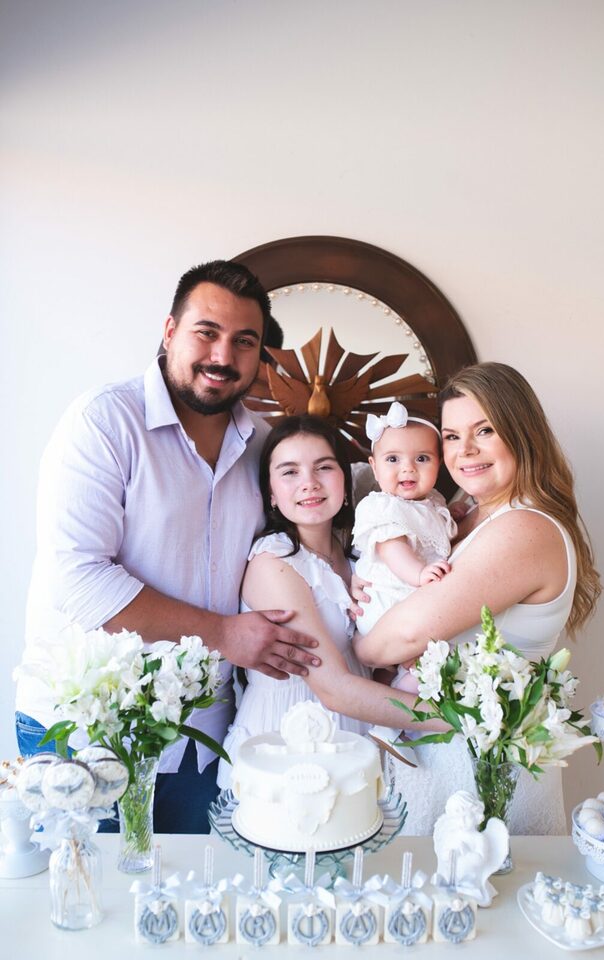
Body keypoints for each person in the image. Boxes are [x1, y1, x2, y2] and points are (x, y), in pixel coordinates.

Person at [14, 259, 322, 833]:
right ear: (170, 331)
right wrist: (225, 634)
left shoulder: (263, 445)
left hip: (204, 736)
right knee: (87, 885)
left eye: (244, 341)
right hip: (86, 730)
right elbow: (80, 581)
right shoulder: (104, 422)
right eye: (207, 332)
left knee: (196, 887)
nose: (223, 356)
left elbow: (314, 517)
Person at [354, 362, 601, 835]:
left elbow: (403, 636)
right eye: (451, 436)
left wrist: (360, 646)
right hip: (438, 761)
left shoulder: (525, 527)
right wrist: (366, 581)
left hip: (481, 777)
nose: (464, 450)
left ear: (521, 434)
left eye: (484, 430)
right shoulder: (463, 516)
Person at [217, 414, 441, 789]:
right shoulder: (274, 562)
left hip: (359, 743)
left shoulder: (359, 552)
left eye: (324, 467)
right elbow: (335, 688)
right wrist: (455, 718)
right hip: (287, 748)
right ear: (271, 492)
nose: (309, 483)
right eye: (290, 472)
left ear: (345, 480)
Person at [352, 400, 457, 758]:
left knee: (421, 666)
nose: (407, 468)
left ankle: (389, 724)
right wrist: (419, 573)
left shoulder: (433, 504)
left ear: (439, 464)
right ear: (374, 466)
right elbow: (392, 549)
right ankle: (390, 725)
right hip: (389, 601)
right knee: (432, 660)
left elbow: (437, 535)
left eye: (422, 459)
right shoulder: (382, 506)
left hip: (407, 601)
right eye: (393, 459)